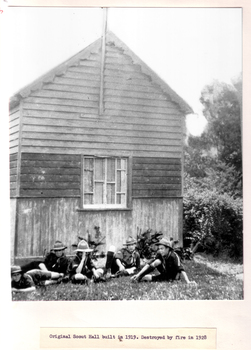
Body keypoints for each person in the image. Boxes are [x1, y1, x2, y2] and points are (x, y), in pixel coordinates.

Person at [131, 238, 197, 285]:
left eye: (162, 248)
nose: (160, 250)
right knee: (145, 276)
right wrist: (138, 275)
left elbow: (181, 269)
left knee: (156, 265)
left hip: (173, 277)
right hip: (164, 274)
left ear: (168, 248)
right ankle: (138, 278)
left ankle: (144, 277)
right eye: (159, 248)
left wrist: (188, 281)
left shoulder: (174, 256)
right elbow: (149, 264)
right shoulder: (160, 254)